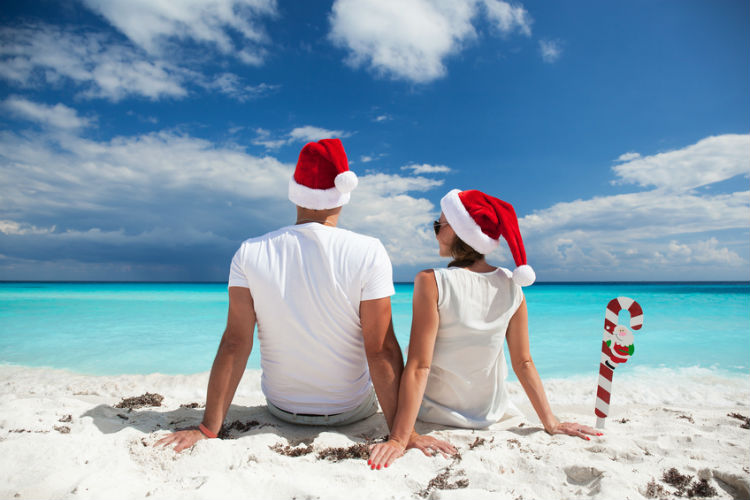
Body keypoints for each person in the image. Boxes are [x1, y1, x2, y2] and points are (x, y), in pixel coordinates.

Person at [156, 139, 412, 453]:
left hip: (281, 408)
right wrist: (401, 435)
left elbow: (236, 344)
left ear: (295, 192)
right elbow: (381, 348)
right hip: (350, 411)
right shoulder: (369, 251)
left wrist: (208, 428)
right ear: (343, 194)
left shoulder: (250, 251)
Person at [367, 189, 601, 469]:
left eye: (438, 225)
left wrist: (399, 438)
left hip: (436, 415)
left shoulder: (432, 281)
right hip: (490, 416)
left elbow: (419, 366)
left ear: (456, 231)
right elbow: (523, 362)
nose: (435, 232)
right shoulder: (513, 284)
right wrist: (550, 422)